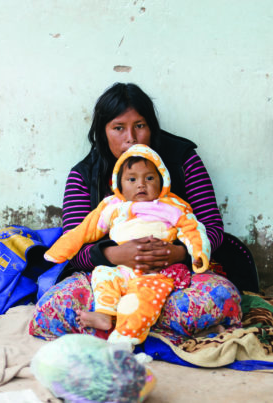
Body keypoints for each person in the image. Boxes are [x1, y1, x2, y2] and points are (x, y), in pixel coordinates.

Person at [29, 83, 233, 340]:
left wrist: (177, 252)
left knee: (222, 298)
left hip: (174, 276)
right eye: (118, 128)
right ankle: (144, 323)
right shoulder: (84, 176)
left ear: (152, 127)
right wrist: (117, 254)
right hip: (112, 278)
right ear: (103, 132)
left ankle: (125, 323)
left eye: (140, 125)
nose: (131, 138)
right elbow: (75, 249)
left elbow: (213, 229)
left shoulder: (183, 160)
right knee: (53, 310)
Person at [44, 144, 210, 344]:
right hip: (120, 267)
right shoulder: (112, 206)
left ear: (162, 180)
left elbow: (193, 229)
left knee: (145, 297)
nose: (141, 185)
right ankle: (105, 313)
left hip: (156, 271)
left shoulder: (172, 206)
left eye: (149, 178)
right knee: (102, 275)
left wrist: (198, 254)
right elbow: (85, 230)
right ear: (119, 184)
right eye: (132, 179)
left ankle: (126, 336)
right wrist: (59, 251)